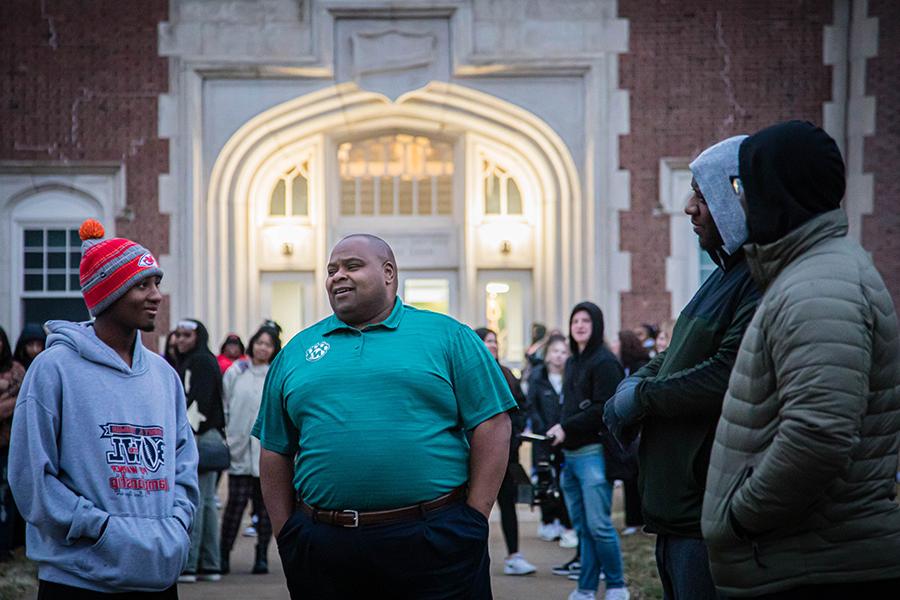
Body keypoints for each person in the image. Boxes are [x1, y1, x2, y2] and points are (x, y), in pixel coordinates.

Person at [253, 234, 515, 599]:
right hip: (325, 548)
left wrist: (473, 518)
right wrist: (289, 534)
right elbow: (275, 447)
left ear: (389, 273)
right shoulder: (296, 351)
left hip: (434, 541)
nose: (337, 276)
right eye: (331, 270)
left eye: (352, 266)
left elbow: (493, 423)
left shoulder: (449, 336)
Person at [701, 121, 900, 597]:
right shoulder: (809, 273)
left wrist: (741, 518)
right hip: (802, 559)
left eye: (744, 185)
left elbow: (818, 435)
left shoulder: (820, 285)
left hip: (813, 565)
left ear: (777, 189)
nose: (741, 200)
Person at [603, 134, 761, 600]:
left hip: (707, 516)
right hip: (679, 515)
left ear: (735, 195)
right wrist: (636, 383)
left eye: (701, 193)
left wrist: (641, 398)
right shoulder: (723, 277)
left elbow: (725, 375)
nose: (689, 207)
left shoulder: (755, 280)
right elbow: (672, 359)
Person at [8, 218, 199, 597]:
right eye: (141, 284)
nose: (156, 295)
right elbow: (31, 477)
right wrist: (97, 528)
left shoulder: (164, 375)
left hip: (158, 576)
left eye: (156, 283)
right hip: (79, 578)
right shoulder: (53, 369)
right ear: (108, 294)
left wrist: (176, 524)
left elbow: (183, 462)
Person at [546, 302, 629, 600]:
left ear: (596, 325)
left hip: (594, 454)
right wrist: (559, 428)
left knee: (599, 526)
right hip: (570, 457)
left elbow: (604, 408)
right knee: (583, 529)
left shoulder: (604, 362)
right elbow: (569, 407)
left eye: (586, 321)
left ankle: (618, 585)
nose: (579, 325)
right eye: (575, 320)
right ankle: (586, 587)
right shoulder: (573, 362)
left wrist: (566, 427)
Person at [475, 327, 536, 577]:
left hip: (507, 454)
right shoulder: (471, 374)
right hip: (476, 457)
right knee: (476, 509)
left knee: (508, 504)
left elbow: (521, 407)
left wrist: (515, 436)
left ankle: (514, 555)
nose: (493, 346)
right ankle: (474, 560)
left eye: (495, 341)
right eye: (488, 341)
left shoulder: (506, 374)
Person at [220, 325, 281, 576]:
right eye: (259, 342)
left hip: (265, 454)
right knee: (234, 505)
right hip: (239, 449)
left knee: (265, 508)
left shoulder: (275, 374)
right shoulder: (237, 371)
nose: (262, 348)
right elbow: (225, 404)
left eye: (268, 344)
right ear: (252, 344)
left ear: (274, 349)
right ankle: (222, 555)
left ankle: (261, 557)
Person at [174, 318, 226, 583]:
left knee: (199, 502)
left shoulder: (201, 361)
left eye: (186, 335)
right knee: (205, 502)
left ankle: (193, 565)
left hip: (200, 437)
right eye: (178, 335)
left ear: (198, 337)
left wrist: (187, 435)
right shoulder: (193, 361)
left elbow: (200, 403)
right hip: (201, 436)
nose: (180, 340)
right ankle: (208, 564)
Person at [527, 335, 580, 563]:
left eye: (563, 352)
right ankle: (550, 520)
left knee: (565, 482)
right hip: (543, 438)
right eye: (555, 351)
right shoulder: (538, 377)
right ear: (548, 355)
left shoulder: (572, 377)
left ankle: (568, 524)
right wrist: (543, 431)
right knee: (546, 481)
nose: (559, 356)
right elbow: (532, 406)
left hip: (566, 438)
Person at [613, 330, 649, 537]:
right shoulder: (623, 366)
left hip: (640, 433)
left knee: (638, 477)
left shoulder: (639, 367)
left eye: (617, 341)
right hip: (631, 432)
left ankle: (640, 519)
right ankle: (633, 519)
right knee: (630, 477)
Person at [0, 326, 25, 562]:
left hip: (7, 443)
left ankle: (5, 544)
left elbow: (21, 402)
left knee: (6, 492)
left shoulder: (17, 372)